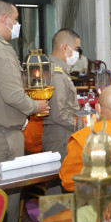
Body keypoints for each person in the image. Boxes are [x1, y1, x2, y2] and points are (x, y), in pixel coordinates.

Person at [0, 0, 49, 222]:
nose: (17, 25)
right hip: (2, 138)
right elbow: (13, 95)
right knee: (5, 205)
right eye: (16, 19)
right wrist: (36, 106)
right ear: (4, 18)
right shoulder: (0, 49)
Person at [43, 28, 81, 160]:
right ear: (65, 47)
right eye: (76, 49)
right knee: (62, 178)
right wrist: (83, 125)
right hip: (61, 136)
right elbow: (59, 114)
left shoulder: (58, 69)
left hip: (64, 132)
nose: (77, 54)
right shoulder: (57, 73)